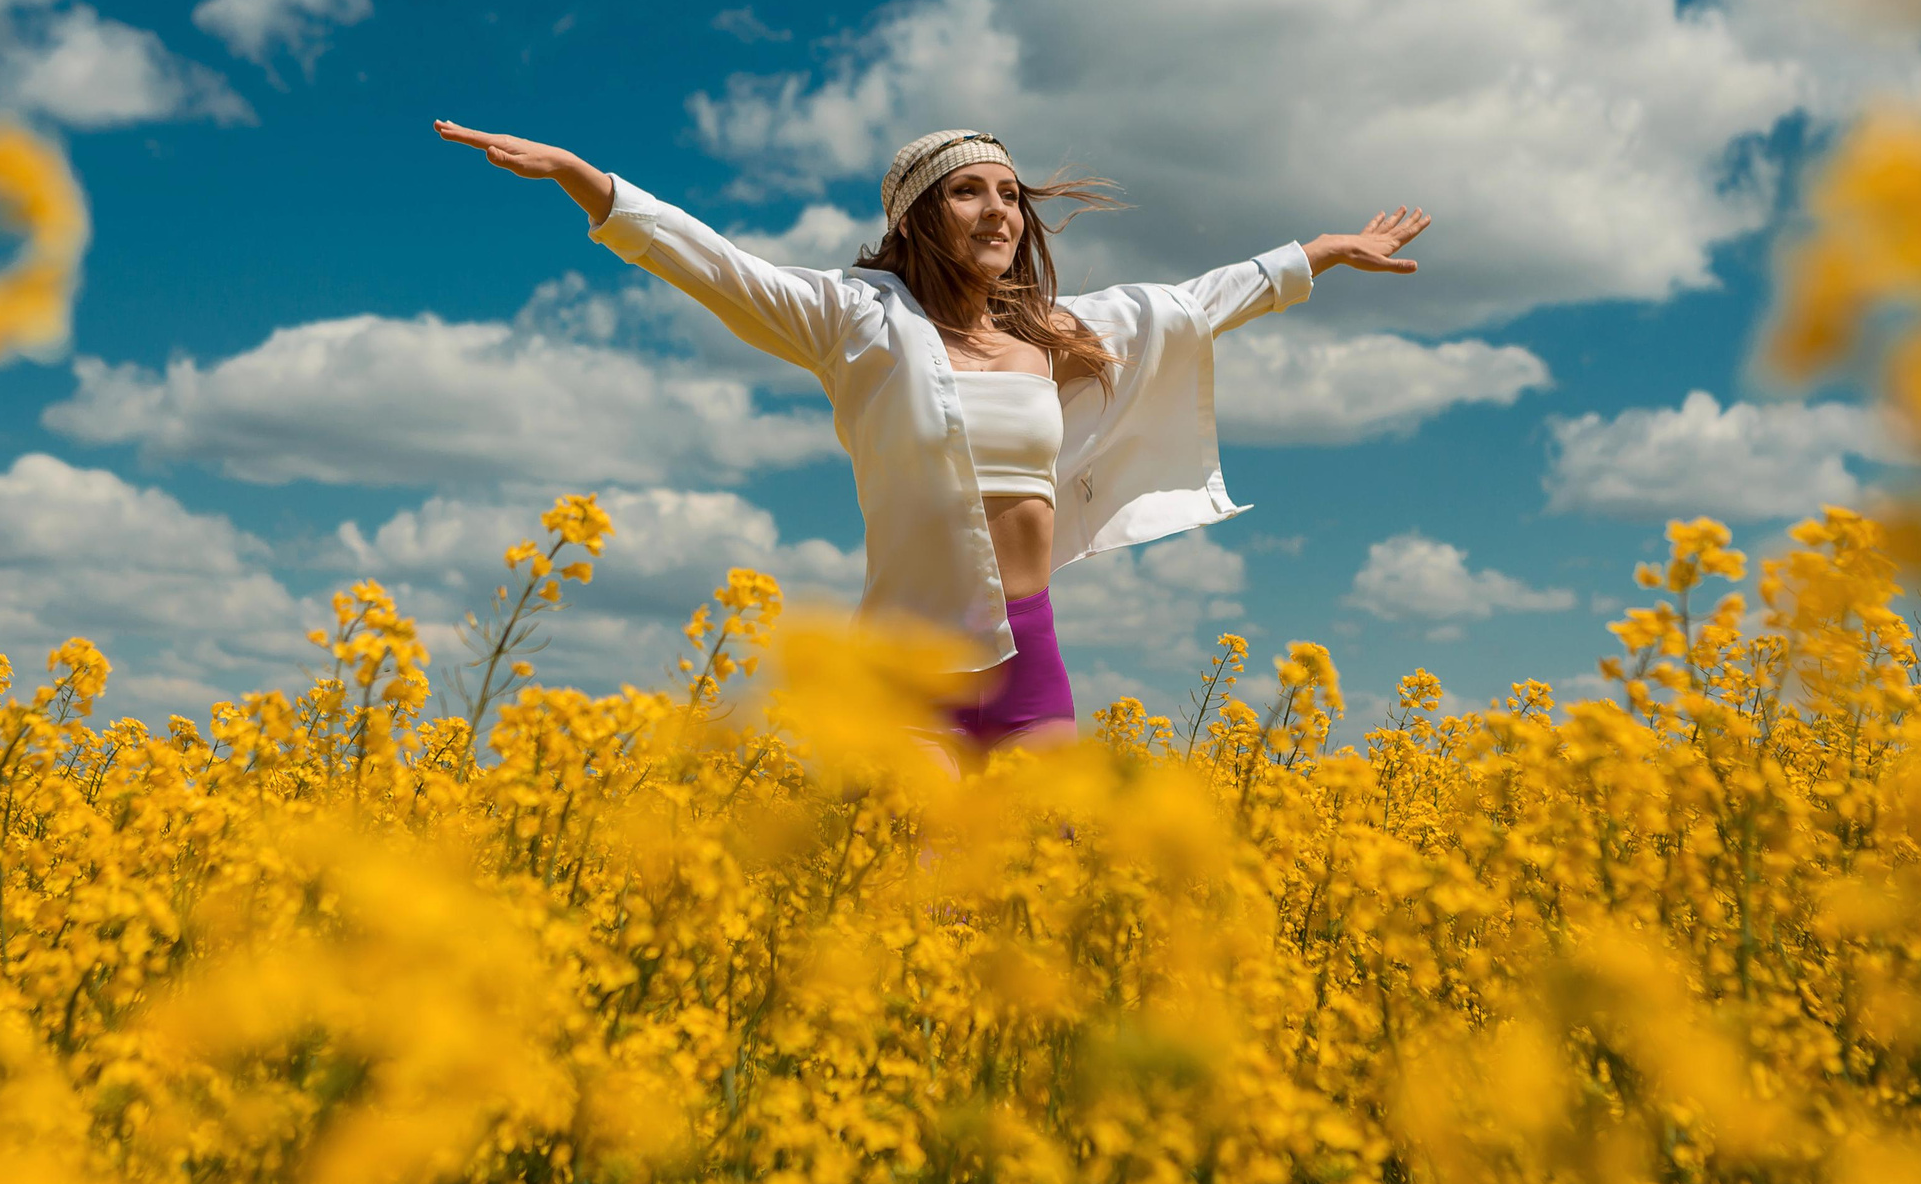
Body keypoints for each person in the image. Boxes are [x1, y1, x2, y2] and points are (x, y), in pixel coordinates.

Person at [435, 120, 1430, 750]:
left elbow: (1191, 303)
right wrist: (584, 179)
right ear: (916, 217)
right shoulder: (853, 318)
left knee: (1041, 899)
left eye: (1008, 194)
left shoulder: (1051, 331)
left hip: (1027, 651)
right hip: (904, 662)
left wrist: (1323, 253)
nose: (998, 209)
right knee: (920, 913)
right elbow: (717, 266)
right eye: (969, 191)